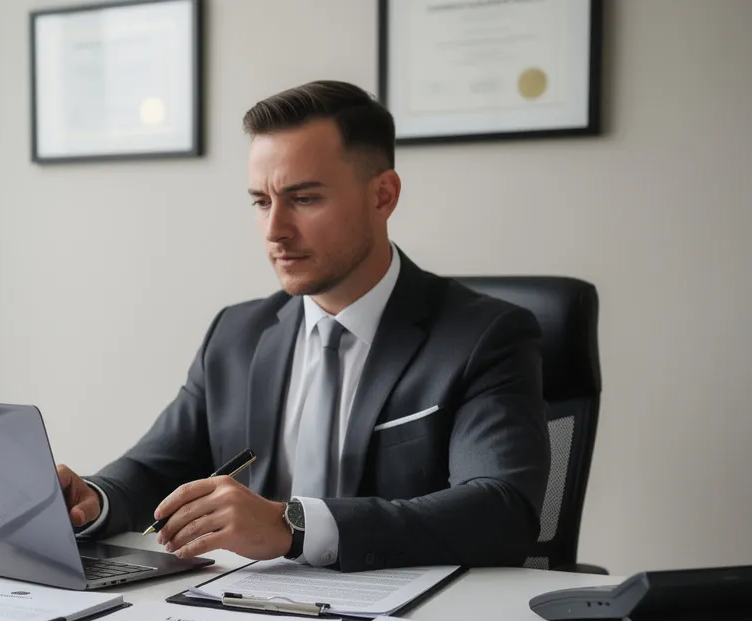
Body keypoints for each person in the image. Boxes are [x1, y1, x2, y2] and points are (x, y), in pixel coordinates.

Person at [55, 80, 550, 571]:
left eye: (304, 199)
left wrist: (294, 526)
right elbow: (154, 469)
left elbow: (501, 509)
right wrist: (92, 500)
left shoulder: (486, 335)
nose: (275, 231)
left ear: (383, 196)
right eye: (261, 202)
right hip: (249, 612)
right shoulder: (236, 334)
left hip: (407, 619)